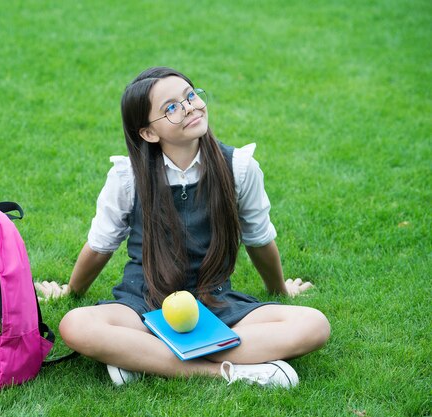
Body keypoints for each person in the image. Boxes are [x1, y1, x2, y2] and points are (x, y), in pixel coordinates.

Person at [35, 66, 330, 388]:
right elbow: (100, 245)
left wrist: (279, 290)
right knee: (75, 325)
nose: (190, 107)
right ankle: (227, 371)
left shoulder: (240, 167)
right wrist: (71, 291)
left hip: (215, 303)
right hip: (142, 303)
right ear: (148, 132)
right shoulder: (127, 176)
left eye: (190, 96)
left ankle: (142, 359)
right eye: (171, 107)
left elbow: (259, 238)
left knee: (314, 325)